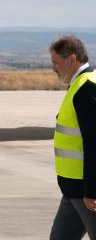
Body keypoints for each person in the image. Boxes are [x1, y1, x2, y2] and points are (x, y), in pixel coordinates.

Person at [48, 35, 96, 240]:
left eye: (55, 62)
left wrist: (92, 190)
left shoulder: (87, 88)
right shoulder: (78, 85)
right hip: (72, 189)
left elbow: (94, 143)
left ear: (72, 59)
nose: (54, 68)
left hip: (86, 192)